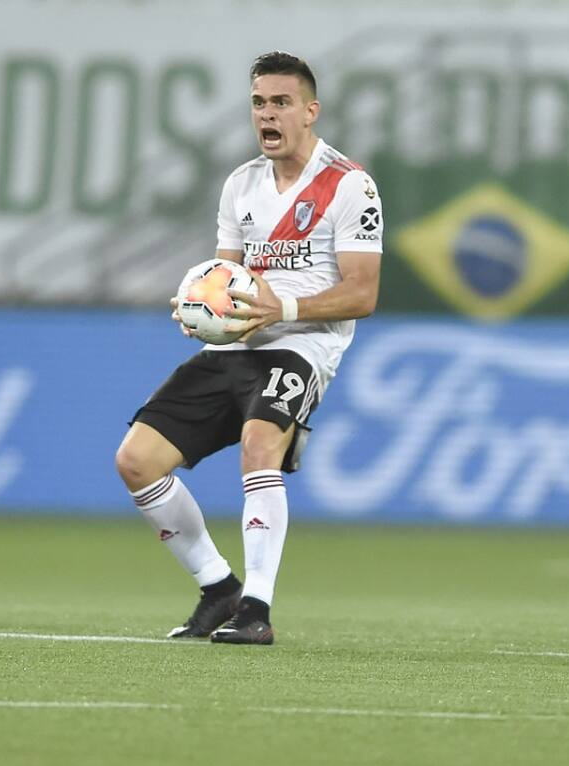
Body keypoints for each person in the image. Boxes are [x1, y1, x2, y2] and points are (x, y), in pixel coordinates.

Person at [114, 51, 383, 645]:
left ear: (311, 112)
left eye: (282, 102)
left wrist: (280, 310)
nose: (268, 114)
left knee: (260, 448)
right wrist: (198, 310)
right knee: (136, 461)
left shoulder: (349, 185)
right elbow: (223, 277)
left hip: (302, 347)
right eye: (259, 102)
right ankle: (219, 587)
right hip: (237, 349)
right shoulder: (241, 184)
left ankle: (256, 610)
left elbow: (362, 293)